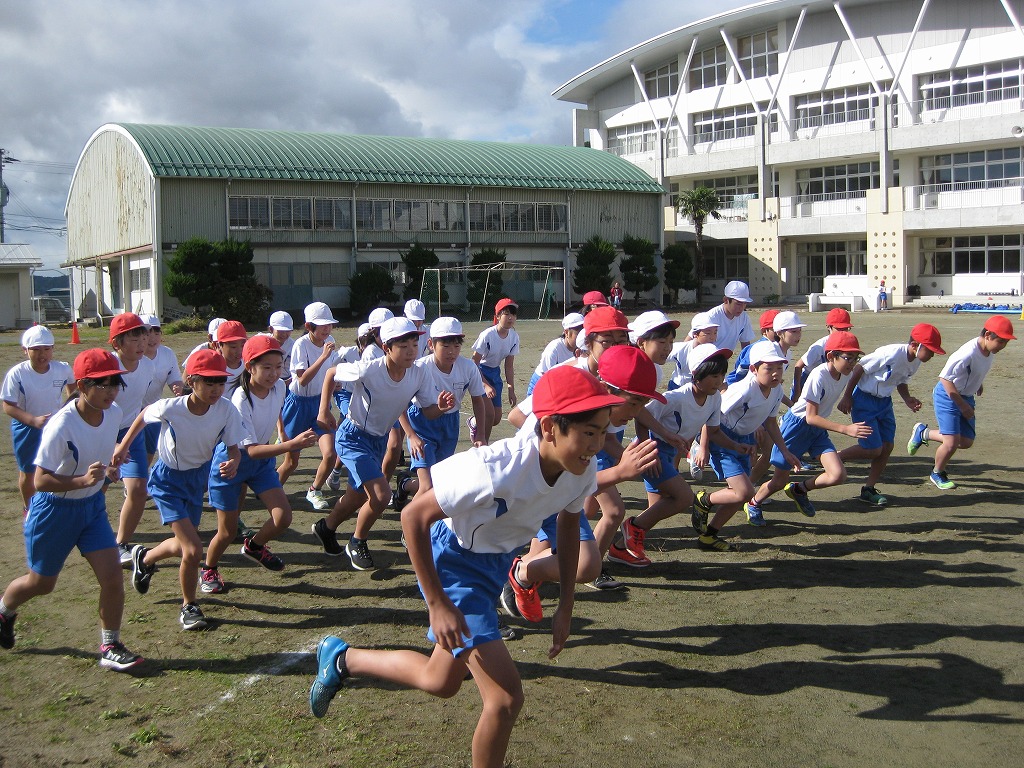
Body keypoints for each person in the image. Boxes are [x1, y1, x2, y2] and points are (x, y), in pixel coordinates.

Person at [307, 365, 623, 768]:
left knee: (440, 681)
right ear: (549, 429)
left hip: (493, 564)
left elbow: (566, 523)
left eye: (602, 431)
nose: (596, 444)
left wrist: (566, 604)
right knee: (505, 699)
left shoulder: (582, 468)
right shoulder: (496, 467)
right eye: (588, 432)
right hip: (454, 561)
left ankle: (341, 658)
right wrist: (438, 603)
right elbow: (413, 517)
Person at [0, 348, 142, 671]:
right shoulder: (60, 425)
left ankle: (110, 644)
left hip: (91, 509)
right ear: (81, 385)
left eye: (114, 383)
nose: (110, 390)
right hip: (54, 511)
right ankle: (4, 610)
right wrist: (81, 481)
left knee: (112, 578)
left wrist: (111, 470)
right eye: (101, 384)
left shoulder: (116, 413)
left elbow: (103, 457)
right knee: (42, 584)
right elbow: (40, 480)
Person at [502, 345, 661, 597]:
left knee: (583, 562)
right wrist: (621, 471)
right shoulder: (579, 412)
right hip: (527, 489)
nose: (636, 413)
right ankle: (505, 584)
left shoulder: (598, 418)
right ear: (608, 390)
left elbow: (575, 483)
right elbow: (568, 483)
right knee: (489, 558)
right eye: (633, 403)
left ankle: (520, 576)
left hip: (551, 493)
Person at [312, 317, 455, 572]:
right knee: (381, 496)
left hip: (378, 441)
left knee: (356, 497)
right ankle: (357, 541)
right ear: (387, 347)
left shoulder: (418, 373)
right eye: (404, 345)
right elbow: (332, 373)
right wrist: (324, 411)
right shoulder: (369, 368)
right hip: (353, 436)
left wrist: (440, 408)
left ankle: (326, 528)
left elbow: (429, 411)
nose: (412, 350)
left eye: (414, 343)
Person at [115, 349, 244, 630]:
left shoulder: (225, 409)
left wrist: (233, 461)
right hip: (167, 481)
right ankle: (189, 606)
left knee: (186, 546)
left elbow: (234, 448)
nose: (216, 389)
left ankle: (145, 558)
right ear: (190, 380)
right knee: (193, 548)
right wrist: (123, 447)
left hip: (196, 480)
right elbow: (142, 416)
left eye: (220, 382)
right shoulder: (172, 407)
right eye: (208, 382)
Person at [202, 336, 318, 593]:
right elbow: (251, 450)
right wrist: (291, 444)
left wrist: (281, 430)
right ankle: (209, 568)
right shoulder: (240, 398)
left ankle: (254, 546)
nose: (274, 373)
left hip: (262, 462)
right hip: (232, 463)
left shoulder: (279, 387)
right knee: (227, 531)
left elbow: (274, 410)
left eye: (278, 367)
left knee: (283, 518)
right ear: (249, 366)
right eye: (266, 367)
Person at [614, 343, 744, 560]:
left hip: (667, 453)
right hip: (650, 450)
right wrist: (649, 451)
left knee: (656, 510)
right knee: (683, 498)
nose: (719, 380)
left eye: (722, 374)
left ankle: (620, 548)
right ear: (696, 374)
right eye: (712, 374)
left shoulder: (715, 398)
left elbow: (714, 431)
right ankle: (630, 527)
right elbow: (641, 416)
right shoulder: (675, 397)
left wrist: (735, 446)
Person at [745, 332, 872, 520]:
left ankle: (799, 489)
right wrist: (846, 429)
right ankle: (753, 503)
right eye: (848, 358)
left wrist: (847, 398)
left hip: (817, 430)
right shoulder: (818, 375)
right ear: (831, 356)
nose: (852, 363)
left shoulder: (846, 373)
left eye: (855, 358)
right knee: (779, 480)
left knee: (838, 475)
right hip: (797, 426)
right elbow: (810, 417)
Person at [837, 323, 945, 505]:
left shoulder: (916, 360)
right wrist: (847, 396)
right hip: (864, 400)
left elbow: (900, 379)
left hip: (884, 403)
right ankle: (836, 457)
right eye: (930, 350)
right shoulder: (892, 353)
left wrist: (907, 398)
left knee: (887, 446)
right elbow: (860, 368)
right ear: (914, 345)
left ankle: (869, 489)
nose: (932, 355)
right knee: (872, 448)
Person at [695, 343, 798, 532]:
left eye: (779, 367)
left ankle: (710, 533)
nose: (776, 373)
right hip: (722, 438)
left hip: (745, 442)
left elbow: (771, 423)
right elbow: (710, 414)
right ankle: (703, 500)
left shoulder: (777, 391)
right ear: (753, 369)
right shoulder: (743, 390)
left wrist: (784, 451)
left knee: (741, 494)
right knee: (745, 491)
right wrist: (703, 447)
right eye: (769, 368)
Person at [907, 315, 1015, 489]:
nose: (1003, 346)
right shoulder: (967, 353)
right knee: (950, 442)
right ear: (988, 335)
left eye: (1006, 342)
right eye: (1001, 341)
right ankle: (937, 473)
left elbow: (975, 371)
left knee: (965, 441)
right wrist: (962, 405)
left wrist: (977, 384)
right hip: (948, 396)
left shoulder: (989, 350)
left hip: (965, 395)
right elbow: (945, 379)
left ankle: (924, 433)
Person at [394, 317, 489, 509]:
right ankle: (413, 528)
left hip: (449, 427)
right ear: (431, 344)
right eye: (445, 345)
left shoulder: (468, 367)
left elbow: (478, 400)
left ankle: (405, 484)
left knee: (440, 481)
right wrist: (411, 436)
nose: (452, 351)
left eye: (456, 345)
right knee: (428, 485)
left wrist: (480, 434)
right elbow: (399, 405)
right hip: (421, 426)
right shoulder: (419, 368)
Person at [2, 326, 73, 512]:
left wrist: (66, 411)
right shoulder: (17, 374)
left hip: (56, 426)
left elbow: (74, 389)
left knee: (58, 467)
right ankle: (30, 509)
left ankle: (54, 507)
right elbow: (8, 406)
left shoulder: (62, 369)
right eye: (36, 349)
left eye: (47, 349)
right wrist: (33, 420)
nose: (42, 354)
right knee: (28, 471)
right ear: (25, 350)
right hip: (27, 427)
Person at [278, 302, 339, 511]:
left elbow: (330, 376)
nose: (327, 329)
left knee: (330, 453)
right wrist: (323, 357)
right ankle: (272, 490)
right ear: (308, 326)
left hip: (320, 403)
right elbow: (302, 380)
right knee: (291, 461)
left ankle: (314, 489)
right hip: (297, 404)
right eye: (322, 325)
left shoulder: (330, 341)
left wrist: (328, 403)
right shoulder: (301, 345)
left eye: (329, 325)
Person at [108, 313, 157, 566]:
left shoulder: (148, 365)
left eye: (144, 335)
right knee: (94, 488)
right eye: (134, 337)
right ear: (117, 343)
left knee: (138, 489)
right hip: (100, 433)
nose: (142, 342)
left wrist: (125, 441)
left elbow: (138, 405)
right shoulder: (107, 368)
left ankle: (120, 544)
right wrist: (111, 445)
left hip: (130, 432)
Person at [471, 298, 519, 443]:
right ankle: (483, 444)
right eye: (506, 314)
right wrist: (485, 384)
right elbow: (474, 363)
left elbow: (509, 366)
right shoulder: (487, 335)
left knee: (496, 418)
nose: (510, 318)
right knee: (490, 414)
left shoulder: (514, 337)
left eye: (513, 314)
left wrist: (511, 388)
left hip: (495, 374)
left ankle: (473, 422)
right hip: (479, 373)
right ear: (498, 316)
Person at [139, 314, 184, 464]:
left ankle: (136, 483)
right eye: (147, 333)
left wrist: (179, 389)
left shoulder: (167, 354)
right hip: (131, 411)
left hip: (152, 409)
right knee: (131, 450)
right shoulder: (133, 356)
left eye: (156, 333)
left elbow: (175, 379)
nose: (152, 338)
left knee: (149, 452)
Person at [791, 307, 853, 402]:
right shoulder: (819, 346)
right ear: (829, 327)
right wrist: (797, 391)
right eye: (839, 329)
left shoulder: (847, 345)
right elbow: (798, 366)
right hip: (806, 380)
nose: (842, 332)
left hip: (825, 381)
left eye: (845, 329)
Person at [526, 312, 584, 395]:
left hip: (563, 386)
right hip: (541, 384)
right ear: (566, 332)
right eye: (578, 333)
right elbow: (548, 378)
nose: (581, 337)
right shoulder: (554, 348)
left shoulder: (583, 348)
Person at [666, 312, 718, 390]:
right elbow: (657, 357)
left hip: (700, 389)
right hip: (677, 387)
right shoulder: (681, 348)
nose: (713, 337)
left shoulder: (714, 351)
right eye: (708, 333)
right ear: (695, 334)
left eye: (715, 332)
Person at [703, 280, 756, 354]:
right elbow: (691, 341)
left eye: (745, 303)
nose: (742, 308)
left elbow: (745, 345)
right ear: (726, 300)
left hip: (723, 361)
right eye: (738, 304)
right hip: (705, 361)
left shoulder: (744, 317)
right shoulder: (711, 317)